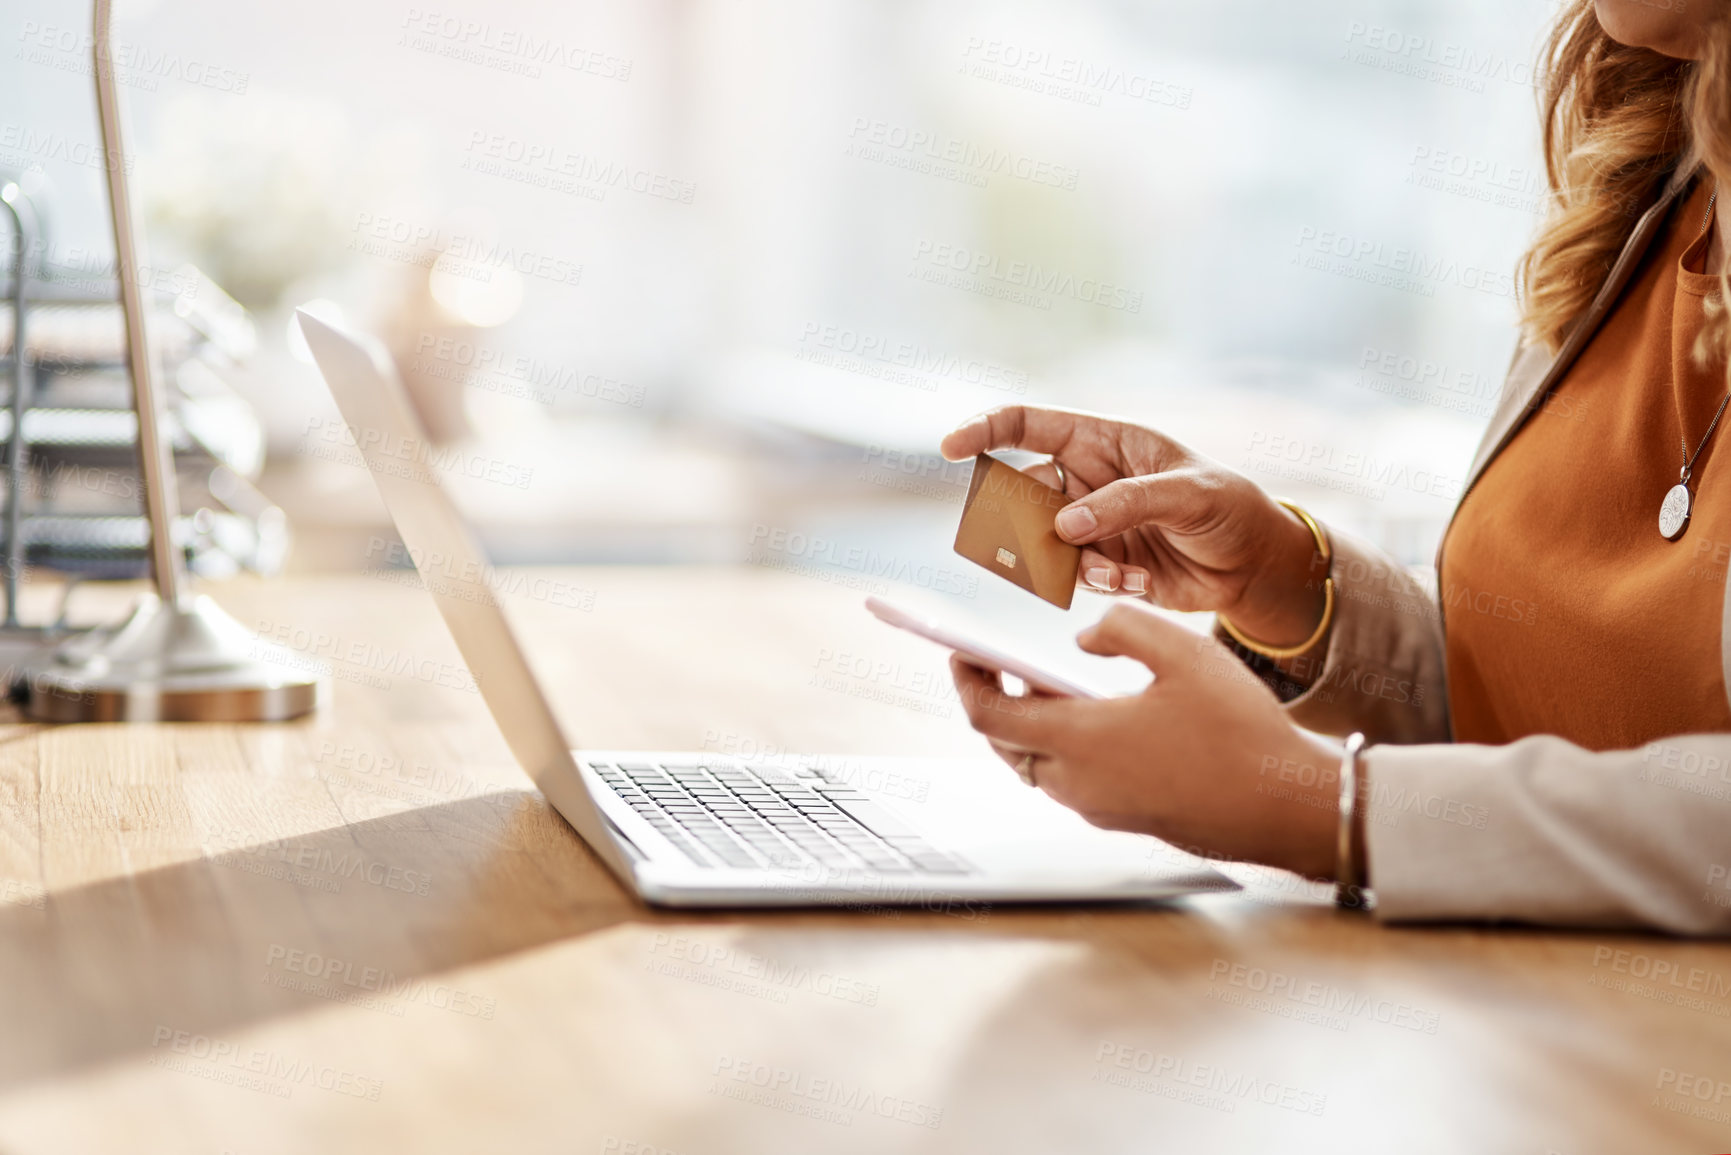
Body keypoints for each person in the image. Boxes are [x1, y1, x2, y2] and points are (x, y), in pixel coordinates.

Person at [942, 0, 1731, 934]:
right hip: (1520, 1032)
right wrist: (1289, 583)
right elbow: (1539, 713)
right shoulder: (1650, 197)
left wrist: (1331, 807)